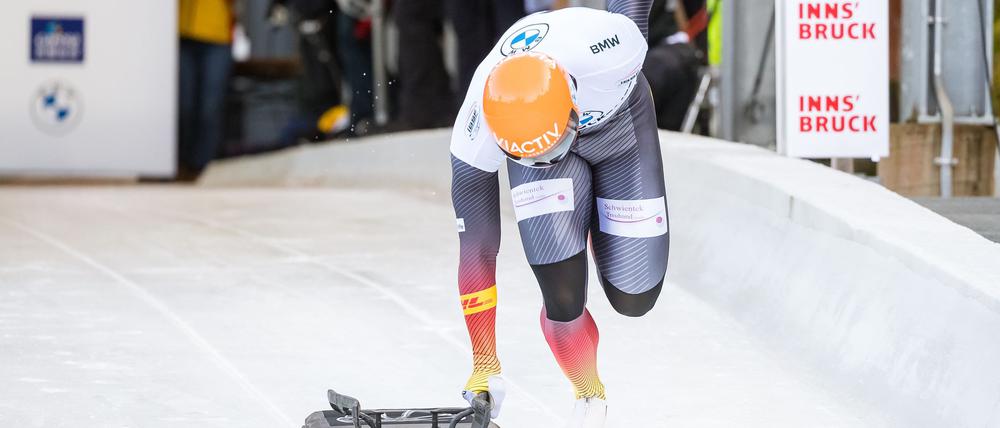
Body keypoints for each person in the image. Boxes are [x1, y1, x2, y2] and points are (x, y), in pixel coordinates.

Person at [448, 1, 668, 426]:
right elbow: (477, 249)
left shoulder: (616, 49)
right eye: (533, 154)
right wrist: (484, 362)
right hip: (553, 155)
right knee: (562, 295)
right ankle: (590, 394)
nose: (547, 158)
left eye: (552, 145)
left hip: (622, 131)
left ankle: (590, 218)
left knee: (635, 296)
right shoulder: (475, 133)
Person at [178, 0, 237, 178]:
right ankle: (179, 163)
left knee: (211, 106)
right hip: (180, 31)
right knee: (183, 103)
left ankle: (204, 168)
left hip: (217, 33)